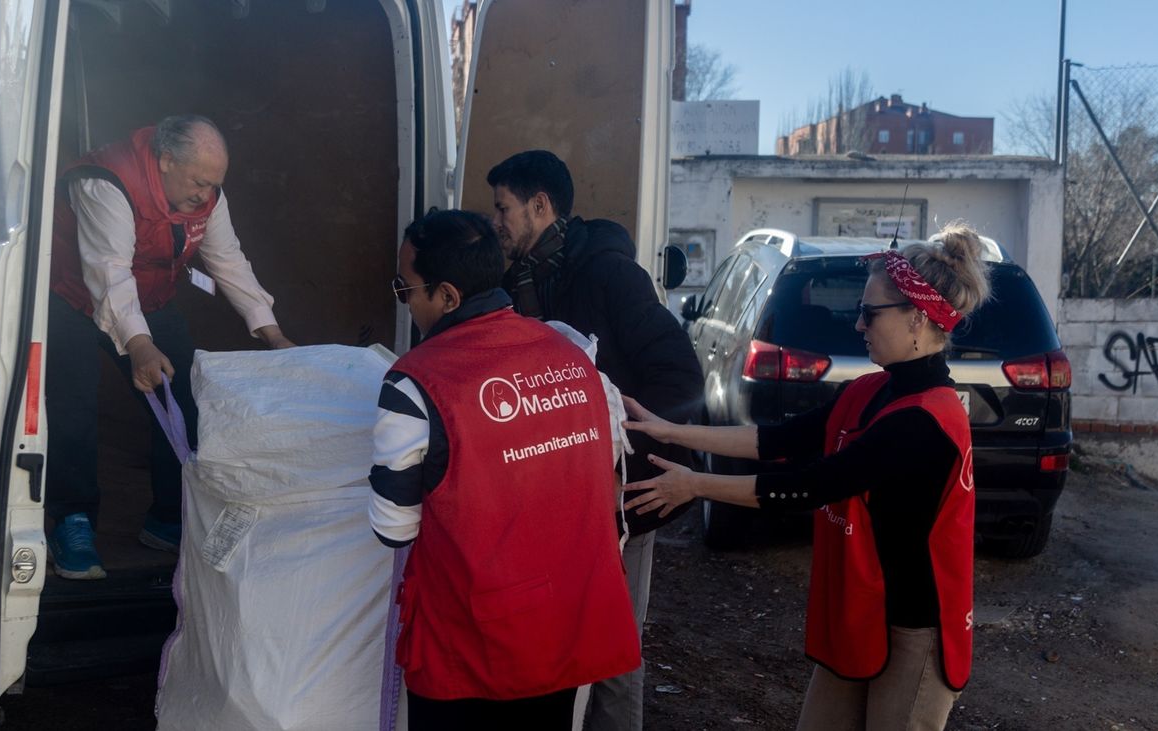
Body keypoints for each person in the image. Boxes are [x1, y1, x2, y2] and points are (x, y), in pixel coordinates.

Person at [621, 223, 992, 730]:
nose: (858, 325)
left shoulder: (926, 421)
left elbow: (814, 484)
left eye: (868, 313)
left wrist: (694, 484)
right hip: (862, 612)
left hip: (914, 630)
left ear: (917, 319)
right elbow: (775, 440)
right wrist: (672, 431)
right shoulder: (871, 390)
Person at [368, 210, 640, 730]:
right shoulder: (573, 356)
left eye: (405, 287)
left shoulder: (415, 382)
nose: (403, 299)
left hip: (474, 644)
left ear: (447, 296)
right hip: (570, 624)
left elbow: (393, 528)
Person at [486, 150, 703, 730]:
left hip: (624, 501)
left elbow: (680, 378)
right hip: (557, 496)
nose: (497, 221)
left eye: (503, 208)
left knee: (611, 653)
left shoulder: (609, 275)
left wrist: (626, 469)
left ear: (539, 205)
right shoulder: (520, 282)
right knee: (560, 640)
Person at [46, 115, 294, 580]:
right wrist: (139, 345)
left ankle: (167, 519)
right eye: (200, 182)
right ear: (165, 161)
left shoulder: (207, 195)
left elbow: (226, 260)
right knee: (71, 411)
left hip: (153, 299)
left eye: (214, 184)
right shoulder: (106, 181)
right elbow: (109, 275)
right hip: (72, 300)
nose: (206, 194)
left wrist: (271, 332)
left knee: (184, 401)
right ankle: (71, 522)